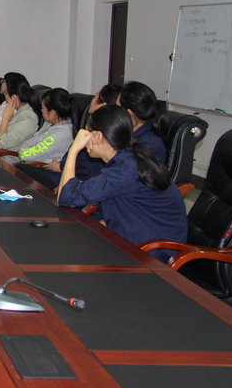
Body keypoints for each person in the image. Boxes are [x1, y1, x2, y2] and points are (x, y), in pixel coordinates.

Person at [57, 105, 187, 260]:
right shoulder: (128, 157)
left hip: (150, 254)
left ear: (97, 136)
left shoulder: (125, 170)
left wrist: (74, 150)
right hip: (135, 238)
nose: (83, 140)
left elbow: (66, 197)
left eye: (87, 132)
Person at [11, 88, 74, 164]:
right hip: (32, 165)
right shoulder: (48, 124)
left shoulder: (61, 134)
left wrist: (23, 150)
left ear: (52, 113)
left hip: (43, 168)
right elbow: (30, 143)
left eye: (43, 108)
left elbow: (25, 156)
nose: (41, 111)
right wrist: (24, 149)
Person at [0, 74, 38, 152]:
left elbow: (1, 144)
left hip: (4, 157)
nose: (4, 96)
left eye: (5, 93)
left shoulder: (28, 119)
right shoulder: (19, 112)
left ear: (14, 97)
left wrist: (5, 118)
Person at [118, 80, 167, 162]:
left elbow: (124, 168)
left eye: (117, 107)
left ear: (129, 113)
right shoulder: (128, 133)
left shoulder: (149, 143)